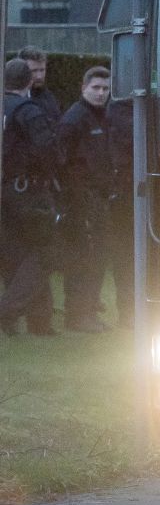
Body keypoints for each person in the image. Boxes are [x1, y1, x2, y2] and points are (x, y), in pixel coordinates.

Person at [1, 57, 62, 335]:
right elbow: (47, 149)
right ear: (29, 82)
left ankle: (40, 322)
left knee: (17, 254)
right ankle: (8, 311)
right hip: (28, 190)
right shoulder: (29, 110)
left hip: (5, 188)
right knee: (47, 252)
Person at [57, 67, 116, 333]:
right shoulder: (74, 119)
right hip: (82, 199)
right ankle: (79, 316)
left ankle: (88, 313)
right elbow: (61, 160)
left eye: (105, 88)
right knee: (84, 259)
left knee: (97, 258)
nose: (101, 93)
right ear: (84, 87)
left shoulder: (102, 116)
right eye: (96, 88)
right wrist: (73, 196)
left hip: (98, 197)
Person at [14, 47, 61, 121]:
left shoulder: (48, 97)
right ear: (21, 70)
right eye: (34, 71)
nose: (39, 76)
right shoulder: (13, 99)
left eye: (42, 70)